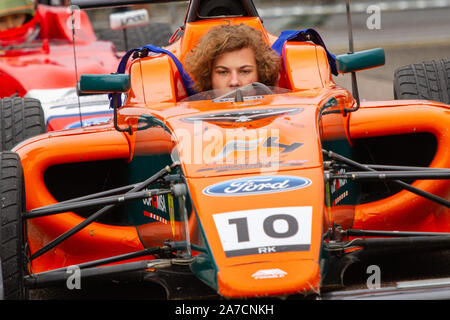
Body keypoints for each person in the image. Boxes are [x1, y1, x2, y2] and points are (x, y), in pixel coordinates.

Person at [184, 23, 280, 94]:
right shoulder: (188, 119)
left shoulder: (283, 114)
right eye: (223, 72)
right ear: (209, 78)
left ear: (260, 74)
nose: (234, 82)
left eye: (245, 71)